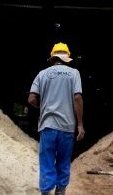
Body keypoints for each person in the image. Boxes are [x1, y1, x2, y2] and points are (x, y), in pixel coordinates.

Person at [28, 42, 85, 195]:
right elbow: (77, 97)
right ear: (66, 57)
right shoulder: (74, 73)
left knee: (47, 162)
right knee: (63, 162)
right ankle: (60, 191)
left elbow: (32, 99)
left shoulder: (42, 74)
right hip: (67, 128)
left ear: (52, 58)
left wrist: (45, 107)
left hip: (47, 126)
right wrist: (80, 124)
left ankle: (46, 192)